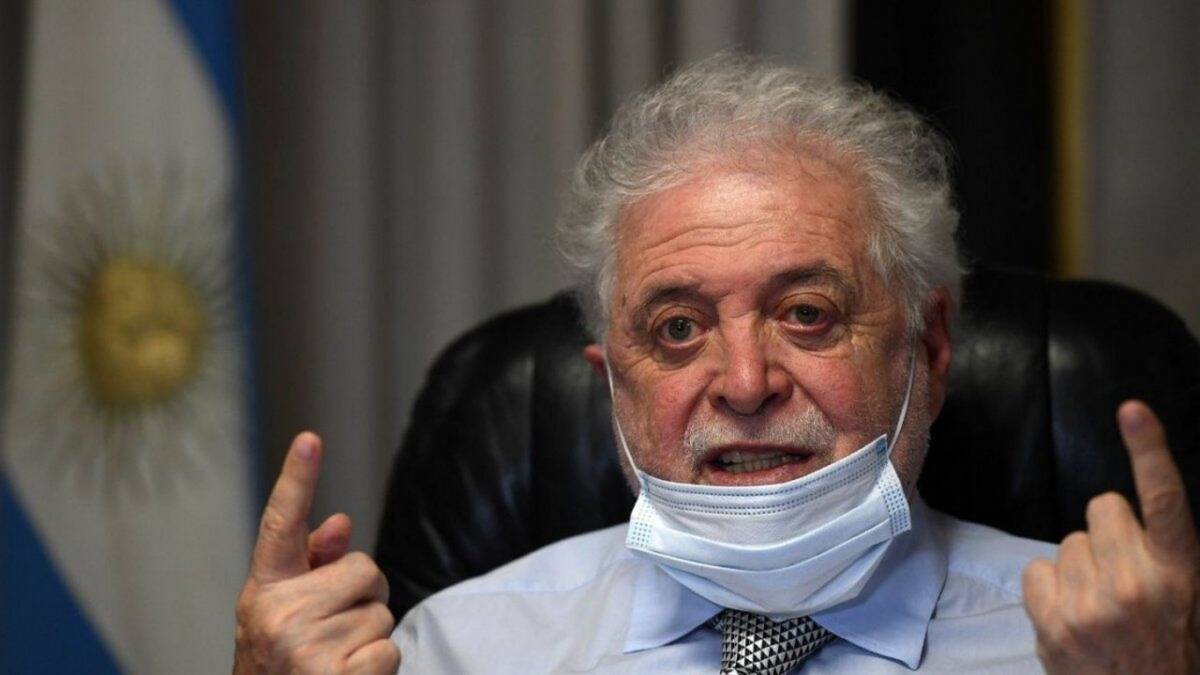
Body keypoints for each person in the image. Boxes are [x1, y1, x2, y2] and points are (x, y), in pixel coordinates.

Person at [233, 55, 1200, 674]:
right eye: (678, 329)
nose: (744, 384)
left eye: (807, 314)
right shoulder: (455, 648)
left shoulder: (1111, 646)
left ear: (930, 348)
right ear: (612, 381)